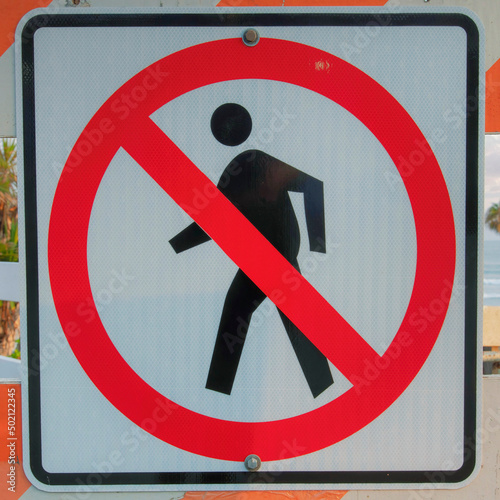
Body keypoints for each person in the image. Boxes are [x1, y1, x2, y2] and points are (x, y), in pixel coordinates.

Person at [169, 103, 334, 398]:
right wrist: (175, 247)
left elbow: (311, 185)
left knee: (241, 310)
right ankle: (218, 399)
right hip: (260, 257)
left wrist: (318, 245)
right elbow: (212, 221)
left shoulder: (252, 161)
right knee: (246, 311)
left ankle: (217, 397)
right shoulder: (236, 172)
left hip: (275, 254)